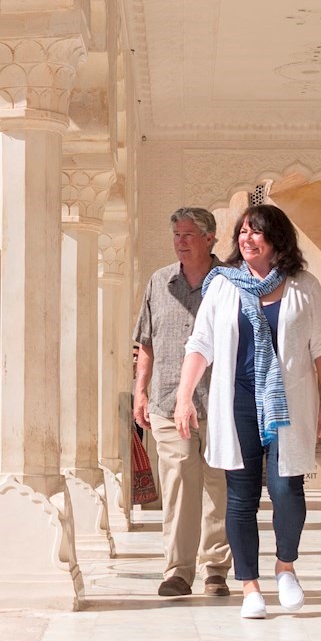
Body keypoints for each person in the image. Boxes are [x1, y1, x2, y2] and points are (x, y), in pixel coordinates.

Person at [174, 202, 321, 620]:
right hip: (237, 404)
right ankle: (249, 586)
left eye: (256, 231)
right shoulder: (223, 285)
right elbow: (201, 344)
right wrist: (183, 396)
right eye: (243, 232)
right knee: (241, 498)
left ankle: (286, 567)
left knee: (286, 491)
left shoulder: (304, 286)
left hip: (288, 405)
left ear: (276, 239)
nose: (247, 238)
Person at [133, 206, 231, 597]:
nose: (181, 242)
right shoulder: (159, 283)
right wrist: (140, 391)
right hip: (168, 403)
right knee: (177, 484)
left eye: (189, 235)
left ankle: (217, 569)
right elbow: (147, 343)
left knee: (217, 487)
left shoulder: (231, 283)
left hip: (221, 406)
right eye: (176, 235)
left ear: (210, 238)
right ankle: (177, 570)